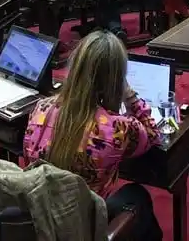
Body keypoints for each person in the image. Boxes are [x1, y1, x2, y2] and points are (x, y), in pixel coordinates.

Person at [22, 31, 163, 240]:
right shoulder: (116, 128)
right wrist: (129, 95)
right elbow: (153, 133)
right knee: (136, 195)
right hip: (85, 226)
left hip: (40, 219)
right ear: (117, 79)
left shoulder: (40, 109)